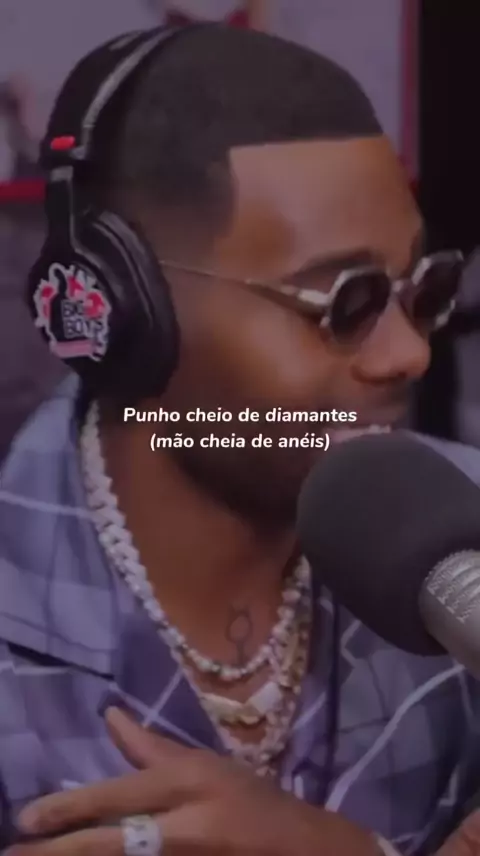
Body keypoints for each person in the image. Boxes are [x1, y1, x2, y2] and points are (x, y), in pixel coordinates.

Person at [0, 23, 477, 856]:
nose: (409, 352)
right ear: (127, 316)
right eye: (346, 301)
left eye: (423, 291)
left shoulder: (463, 531)